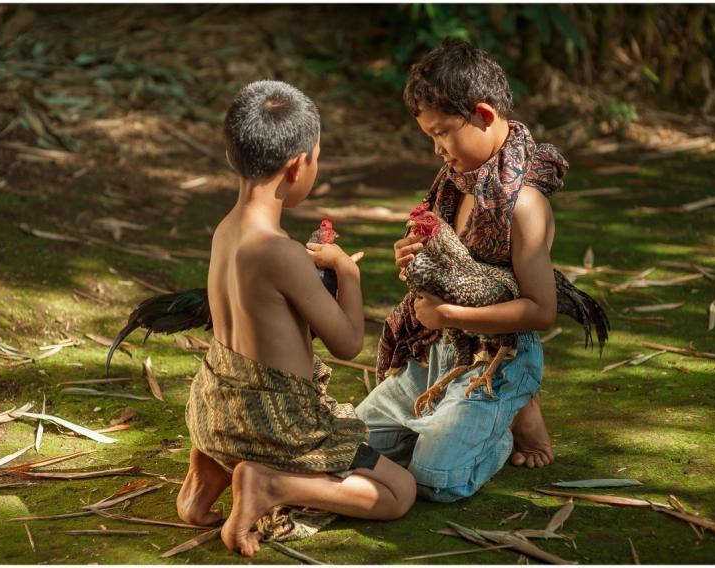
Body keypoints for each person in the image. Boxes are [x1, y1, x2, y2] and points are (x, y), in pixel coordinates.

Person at [175, 80, 416, 557]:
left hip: (212, 411)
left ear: (232, 156)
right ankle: (270, 486)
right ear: (298, 164)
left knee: (232, 394)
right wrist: (347, 271)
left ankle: (204, 479)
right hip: (276, 425)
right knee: (399, 493)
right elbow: (346, 343)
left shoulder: (226, 231)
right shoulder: (280, 253)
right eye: (317, 158)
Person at [356, 39, 567, 504]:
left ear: (484, 115)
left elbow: (542, 310)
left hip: (499, 356)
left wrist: (451, 314)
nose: (436, 149)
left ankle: (512, 415)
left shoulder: (524, 204)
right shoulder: (457, 182)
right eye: (429, 137)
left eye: (443, 133)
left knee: (435, 480)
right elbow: (450, 266)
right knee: (349, 443)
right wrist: (415, 261)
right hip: (440, 351)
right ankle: (460, 421)